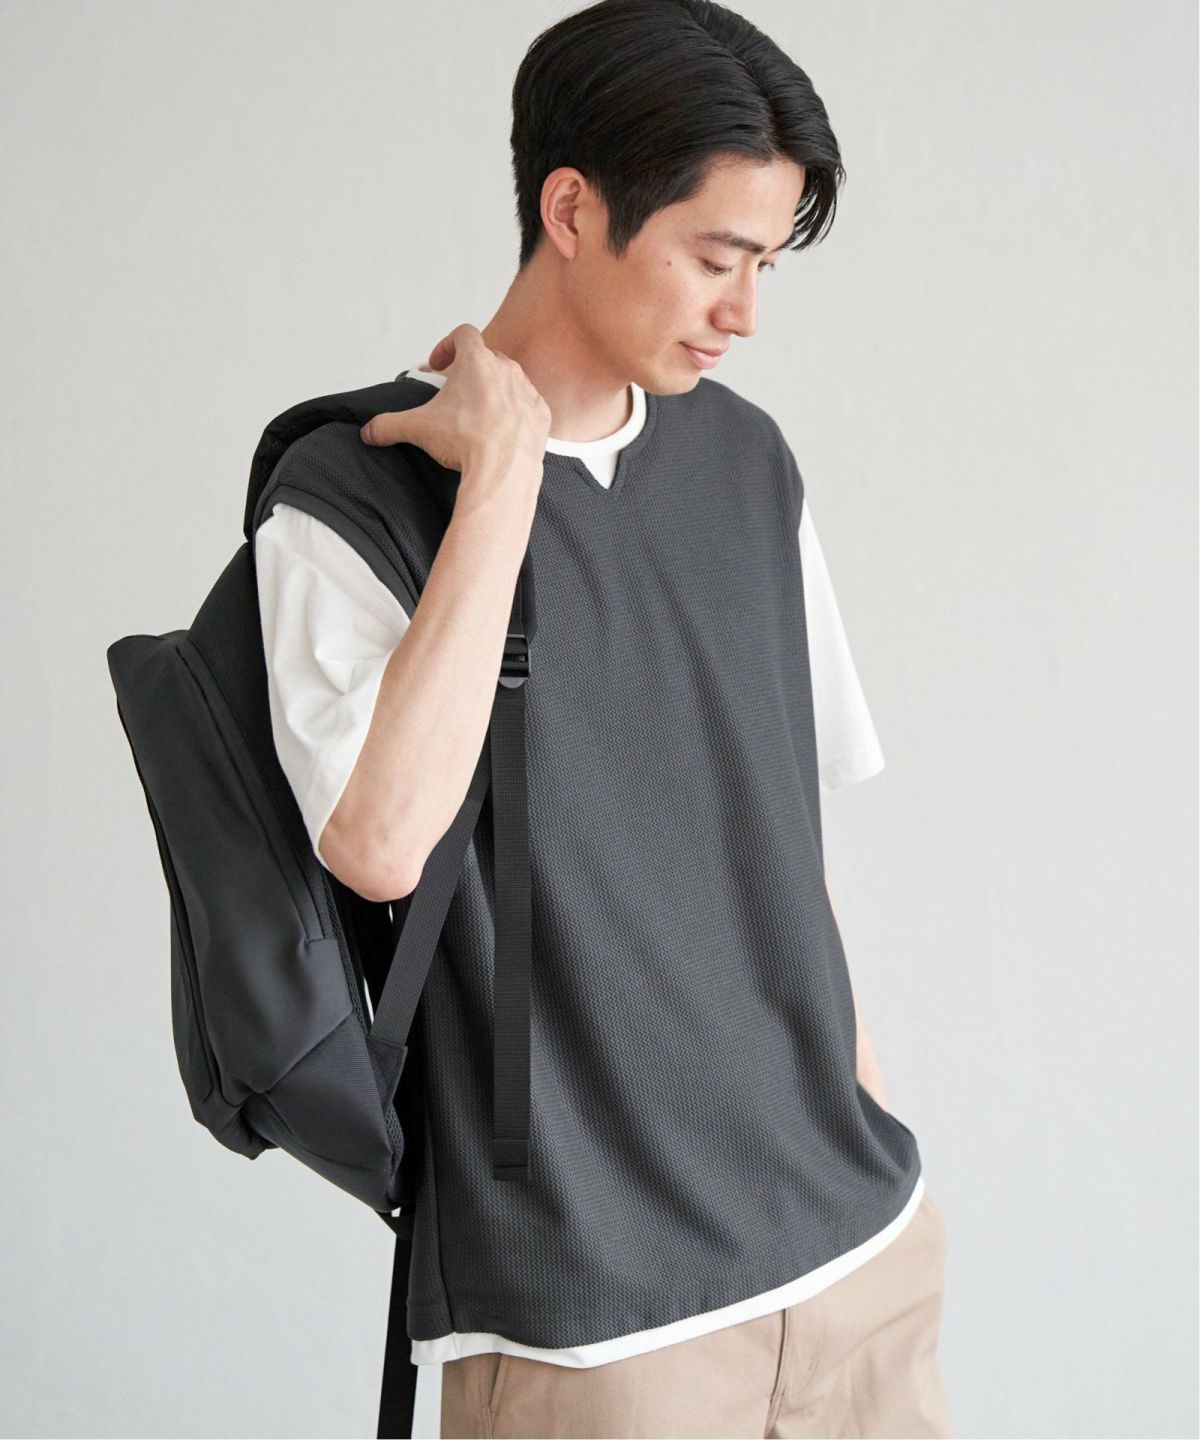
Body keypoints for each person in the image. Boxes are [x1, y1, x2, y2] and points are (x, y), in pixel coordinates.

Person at [253, 1, 954, 1435]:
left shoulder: (747, 462)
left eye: (764, 266)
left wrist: (879, 1139)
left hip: (855, 1263)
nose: (744, 312)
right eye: (715, 257)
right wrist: (503, 482)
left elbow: (787, 844)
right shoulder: (351, 496)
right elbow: (379, 845)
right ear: (571, 211)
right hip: (593, 1326)